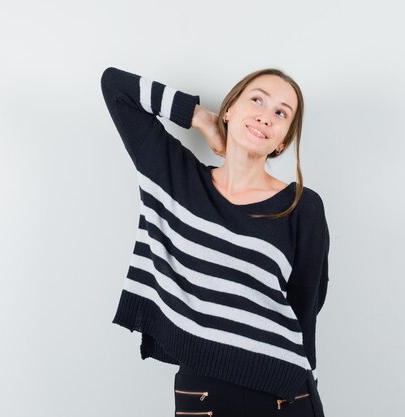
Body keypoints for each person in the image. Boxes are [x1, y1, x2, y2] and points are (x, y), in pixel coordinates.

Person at [101, 66, 330, 417]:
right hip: (203, 387)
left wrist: (307, 373)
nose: (265, 116)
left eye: (281, 113)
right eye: (257, 100)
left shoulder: (302, 206)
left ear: (283, 140)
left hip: (284, 389)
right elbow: (116, 87)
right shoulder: (175, 175)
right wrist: (201, 119)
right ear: (229, 109)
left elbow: (305, 305)